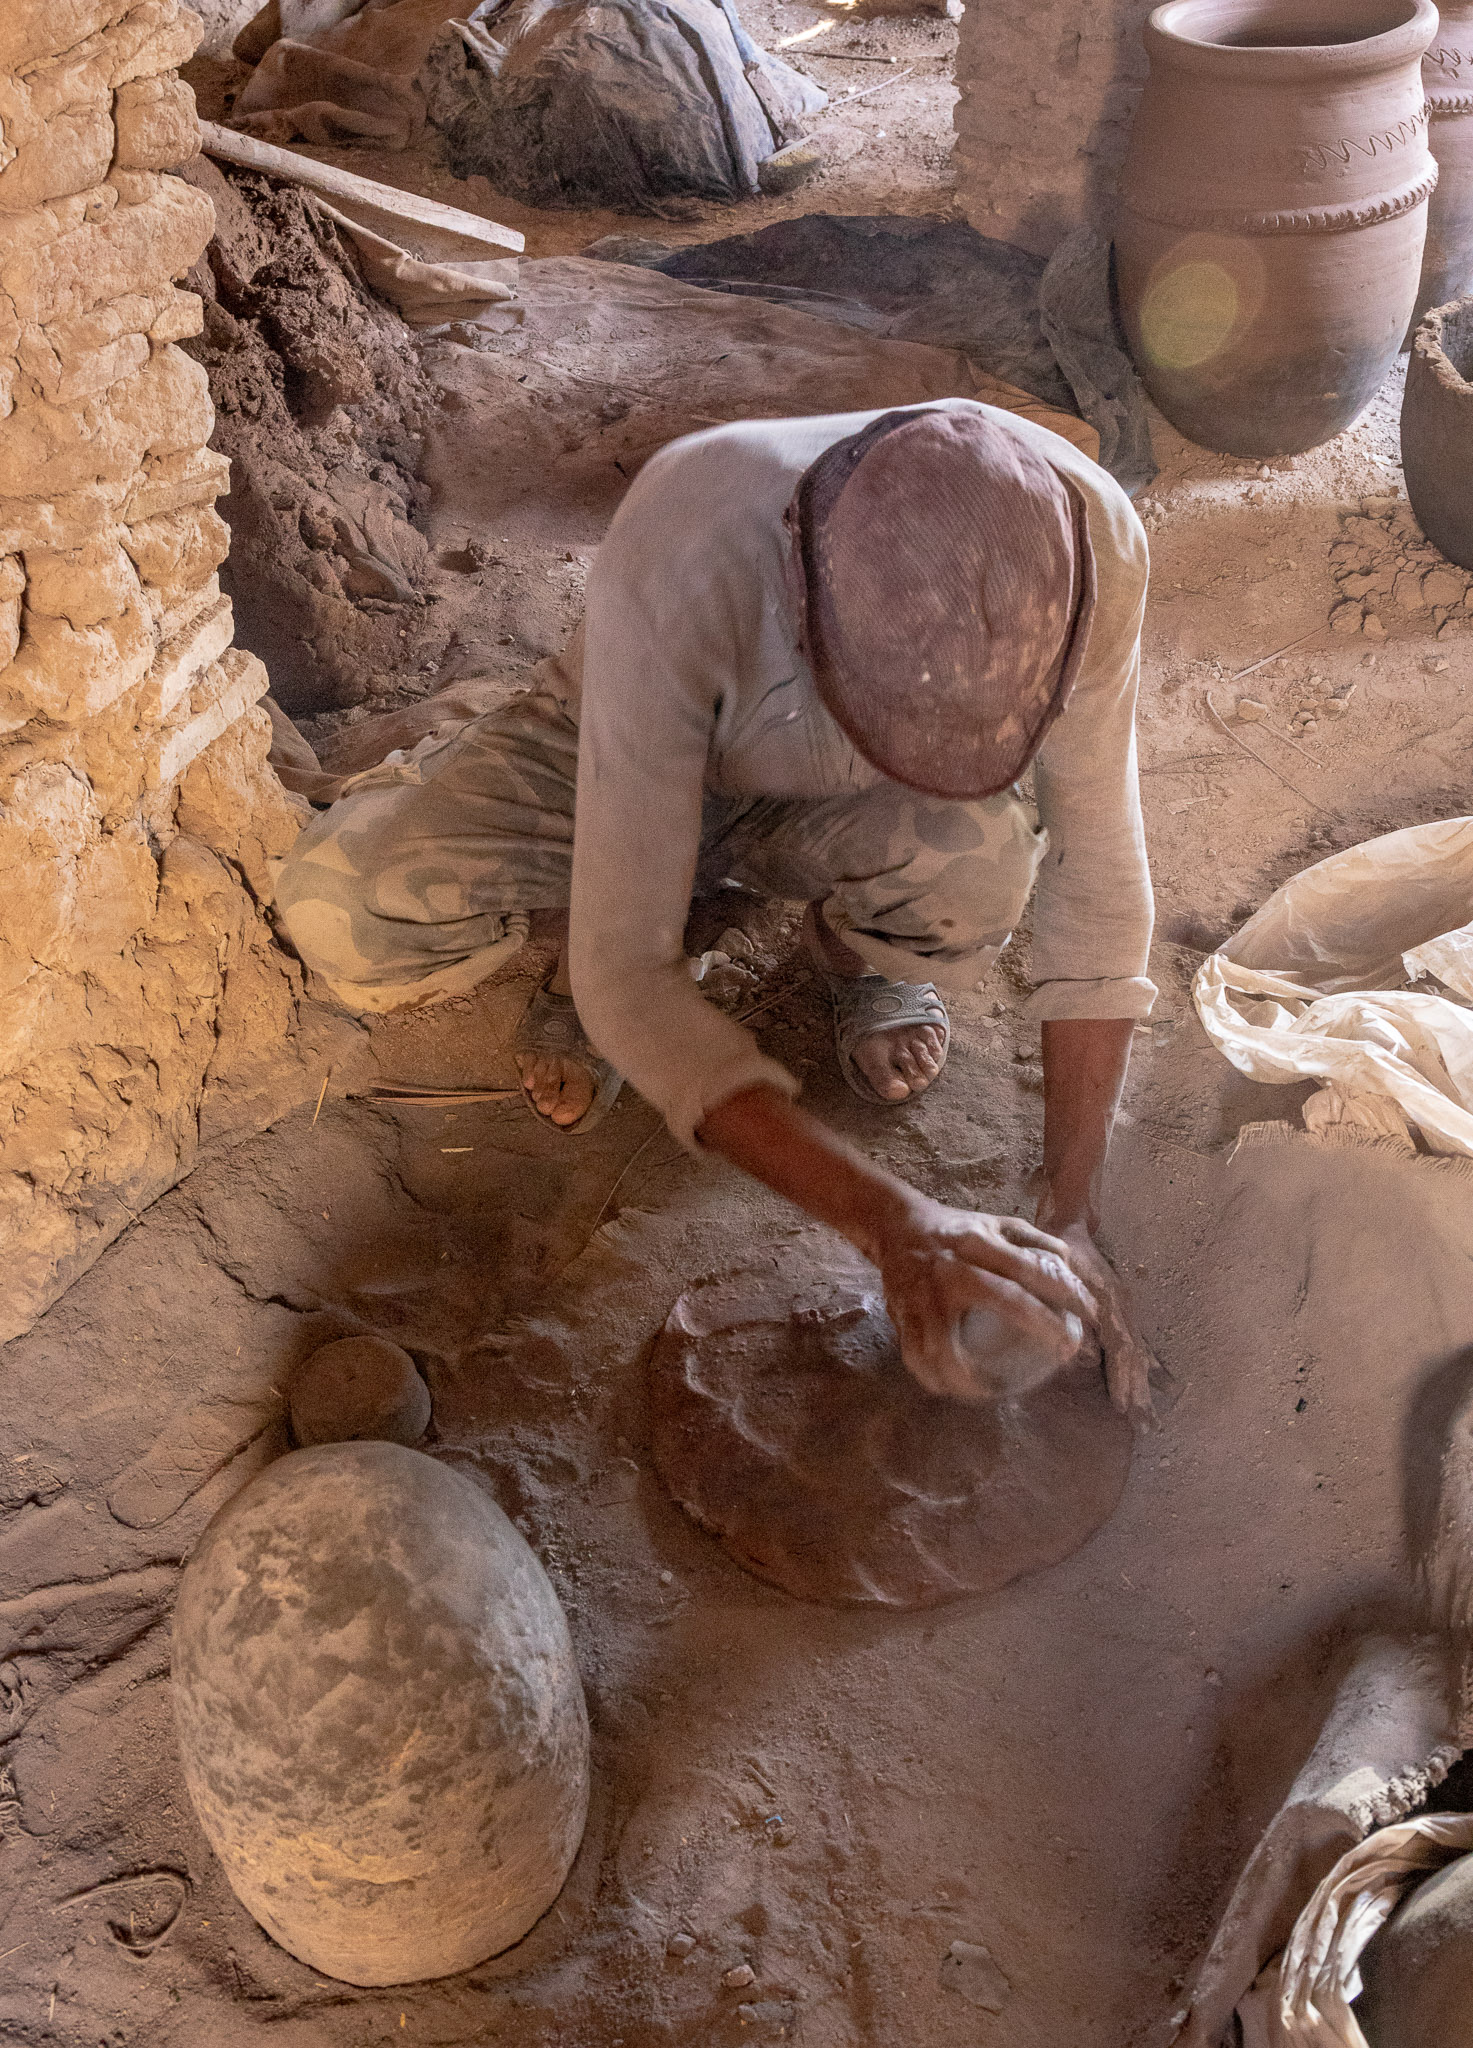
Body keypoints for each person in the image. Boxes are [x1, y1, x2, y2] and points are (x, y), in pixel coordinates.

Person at [274, 400, 1157, 1415]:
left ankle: (850, 950)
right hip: (636, 731)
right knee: (344, 912)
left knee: (987, 859)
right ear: (801, 582)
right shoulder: (691, 540)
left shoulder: (1088, 550)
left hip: (839, 797)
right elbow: (626, 985)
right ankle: (612, 883)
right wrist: (898, 1226)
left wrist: (1073, 1212)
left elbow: (1097, 873)